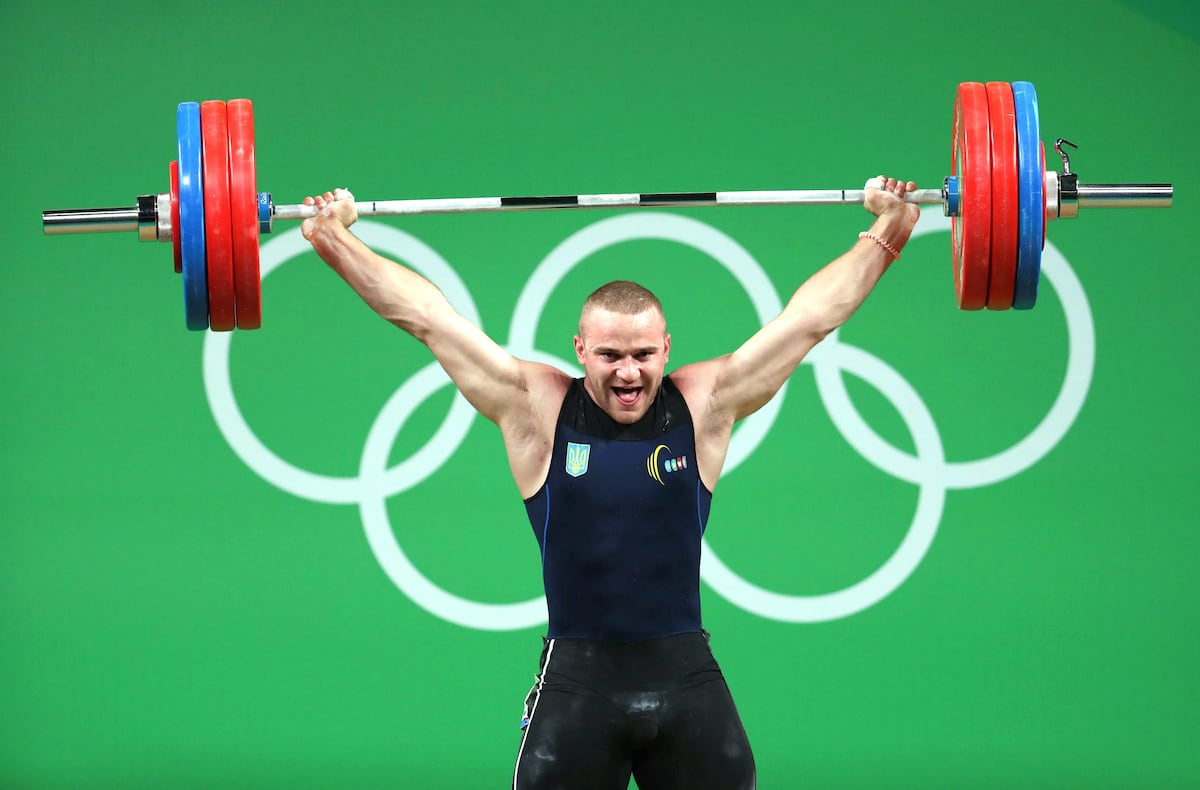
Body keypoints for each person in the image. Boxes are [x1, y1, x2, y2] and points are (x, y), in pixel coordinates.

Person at [300, 176, 921, 790]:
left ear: (666, 349)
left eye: (644, 354)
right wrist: (335, 239)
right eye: (610, 355)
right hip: (579, 687)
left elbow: (808, 321)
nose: (629, 372)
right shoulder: (537, 409)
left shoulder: (703, 405)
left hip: (686, 681)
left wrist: (888, 229)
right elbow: (429, 320)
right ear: (580, 349)